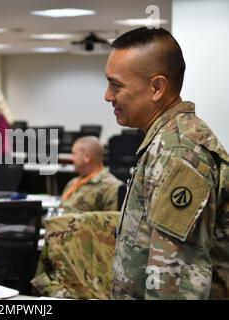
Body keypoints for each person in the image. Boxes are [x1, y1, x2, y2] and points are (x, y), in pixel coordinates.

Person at [105, 27, 229, 299]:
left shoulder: (179, 151)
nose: (108, 95)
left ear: (157, 88)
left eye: (117, 85)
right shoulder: (165, 140)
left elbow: (175, 280)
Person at [60, 136, 122, 213]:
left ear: (86, 157)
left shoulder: (111, 187)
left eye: (74, 154)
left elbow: (112, 221)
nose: (71, 158)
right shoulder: (73, 182)